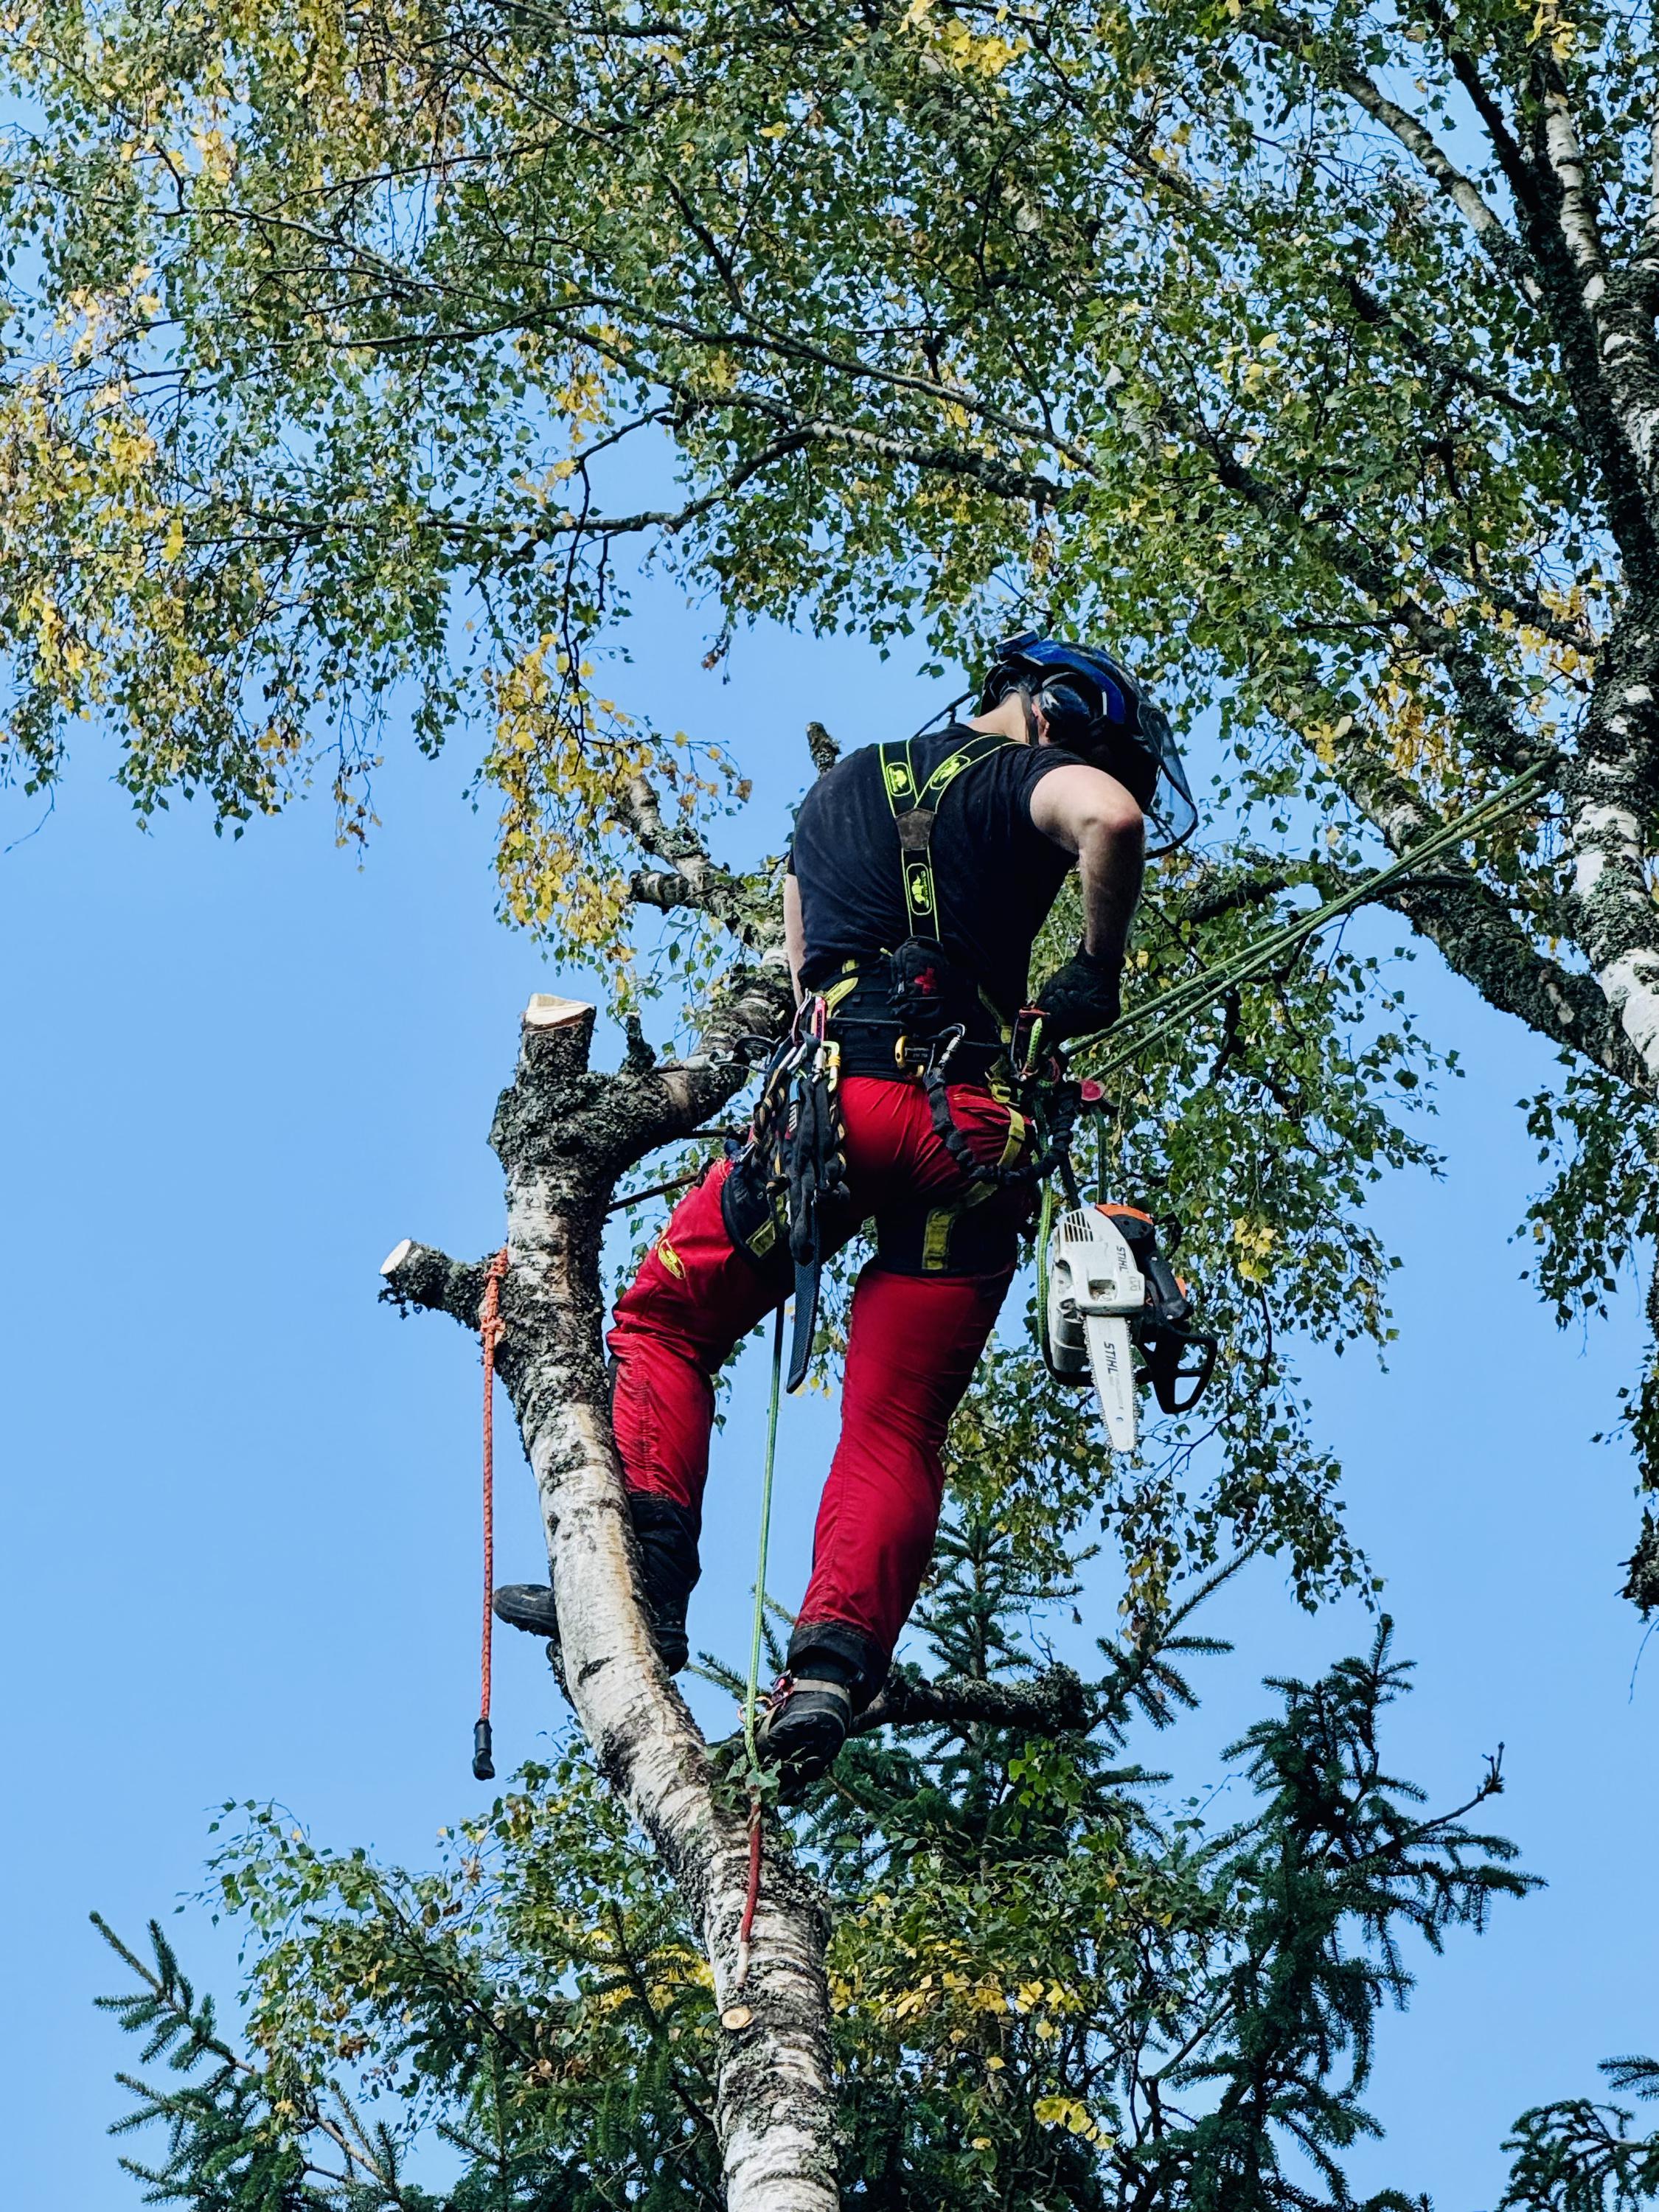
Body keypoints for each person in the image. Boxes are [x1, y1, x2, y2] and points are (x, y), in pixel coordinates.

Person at [495, 636, 1190, 1790]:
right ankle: (828, 1670)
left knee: (666, 1319)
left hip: (829, 1117)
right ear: (1060, 710)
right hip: (966, 1140)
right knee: (895, 1420)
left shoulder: (833, 792)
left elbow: (799, 962)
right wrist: (1094, 968)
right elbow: (1109, 819)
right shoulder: (1034, 773)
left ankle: (648, 1578)